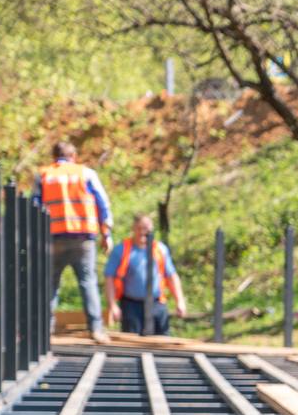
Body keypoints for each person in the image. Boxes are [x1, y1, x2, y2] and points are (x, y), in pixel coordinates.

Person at [37, 141, 113, 343]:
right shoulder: (85, 173)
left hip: (53, 238)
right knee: (87, 282)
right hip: (83, 238)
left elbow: (35, 206)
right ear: (74, 155)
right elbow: (102, 203)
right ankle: (95, 329)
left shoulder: (45, 175)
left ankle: (45, 330)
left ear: (54, 157)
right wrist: (107, 234)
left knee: (50, 284)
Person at [103, 215, 188, 336]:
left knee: (162, 341)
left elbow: (171, 276)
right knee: (132, 343)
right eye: (139, 228)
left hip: (157, 304)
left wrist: (179, 301)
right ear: (133, 228)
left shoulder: (160, 249)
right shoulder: (122, 250)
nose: (143, 232)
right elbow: (109, 277)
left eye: (146, 229)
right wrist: (112, 305)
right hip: (131, 305)